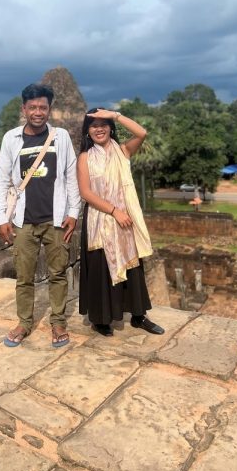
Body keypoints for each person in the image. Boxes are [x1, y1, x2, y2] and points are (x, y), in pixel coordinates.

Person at [0, 83, 81, 348]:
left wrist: (74, 213)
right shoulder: (12, 139)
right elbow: (1, 179)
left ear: (49, 109)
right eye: (33, 107)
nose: (38, 112)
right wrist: (1, 218)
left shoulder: (61, 137)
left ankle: (58, 322)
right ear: (24, 109)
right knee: (24, 276)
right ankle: (24, 322)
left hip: (55, 218)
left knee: (57, 273)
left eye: (43, 107)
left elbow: (70, 177)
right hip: (23, 220)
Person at [77, 108, 164, 336]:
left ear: (111, 128)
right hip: (100, 219)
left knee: (132, 268)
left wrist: (114, 115)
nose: (99, 129)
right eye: (93, 125)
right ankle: (101, 319)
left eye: (103, 124)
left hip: (125, 219)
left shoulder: (123, 151)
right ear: (87, 131)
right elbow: (86, 193)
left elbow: (142, 133)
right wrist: (114, 211)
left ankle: (138, 315)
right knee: (101, 270)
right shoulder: (85, 157)